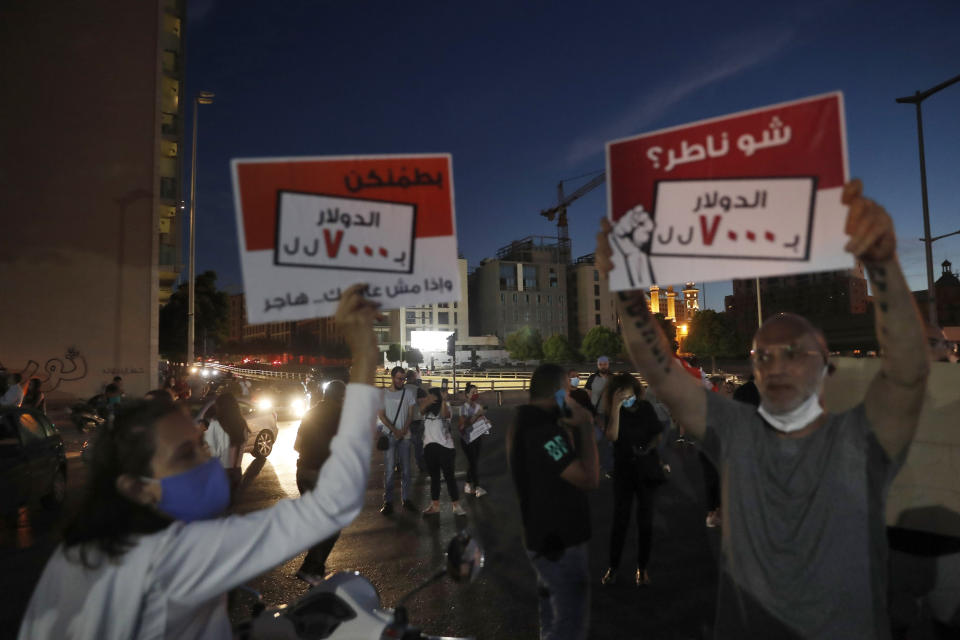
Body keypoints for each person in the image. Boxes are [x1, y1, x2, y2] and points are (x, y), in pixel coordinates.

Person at [596, 179, 929, 638]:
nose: (776, 365)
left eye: (794, 353)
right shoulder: (736, 432)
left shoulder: (860, 439)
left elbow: (909, 371)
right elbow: (662, 373)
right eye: (764, 356)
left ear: (824, 366)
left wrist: (883, 262)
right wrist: (625, 288)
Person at [17, 283, 381, 640]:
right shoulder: (177, 556)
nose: (206, 456)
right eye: (187, 453)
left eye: (200, 443)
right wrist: (365, 355)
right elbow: (334, 502)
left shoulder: (75, 556)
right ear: (137, 487)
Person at [508, 363, 599, 640]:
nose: (571, 397)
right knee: (567, 625)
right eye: (569, 391)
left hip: (543, 539)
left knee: (550, 621)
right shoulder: (542, 430)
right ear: (559, 393)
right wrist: (585, 425)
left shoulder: (526, 421)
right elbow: (588, 478)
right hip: (559, 542)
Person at [600, 374, 665, 587]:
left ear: (636, 392)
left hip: (646, 469)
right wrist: (617, 408)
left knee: (645, 521)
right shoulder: (613, 412)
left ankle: (642, 568)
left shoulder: (645, 408)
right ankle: (613, 567)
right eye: (622, 396)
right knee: (620, 520)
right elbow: (611, 436)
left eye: (630, 395)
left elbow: (657, 433)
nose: (628, 399)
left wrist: (648, 448)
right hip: (624, 470)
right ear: (614, 395)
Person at [292, 379, 347, 583]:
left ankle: (316, 570)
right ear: (342, 396)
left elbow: (296, 446)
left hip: (303, 472)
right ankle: (311, 568)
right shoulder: (341, 415)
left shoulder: (310, 412)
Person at [377, 366, 420, 514]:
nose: (402, 381)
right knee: (389, 470)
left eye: (404, 379)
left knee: (407, 470)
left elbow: (410, 415)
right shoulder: (383, 394)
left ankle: (406, 499)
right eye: (399, 378)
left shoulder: (408, 393)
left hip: (405, 436)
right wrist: (395, 431)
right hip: (390, 435)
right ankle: (388, 501)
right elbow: (381, 415)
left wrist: (403, 431)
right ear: (392, 378)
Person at [421, 387, 466, 516]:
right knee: (434, 478)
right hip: (429, 447)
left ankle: (456, 505)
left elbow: (446, 415)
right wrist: (428, 400)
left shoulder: (445, 407)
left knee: (449, 477)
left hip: (445, 448)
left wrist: (444, 400)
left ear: (437, 397)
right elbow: (421, 409)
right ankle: (435, 506)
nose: (428, 398)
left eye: (430, 396)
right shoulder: (426, 410)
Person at [203, 393, 249, 495]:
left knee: (219, 506)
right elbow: (244, 443)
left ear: (220, 407)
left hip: (221, 471)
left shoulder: (215, 424)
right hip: (237, 471)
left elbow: (210, 450)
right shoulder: (242, 423)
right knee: (233, 502)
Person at [458, 383, 489, 497]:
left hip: (477, 438)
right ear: (467, 395)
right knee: (473, 463)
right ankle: (477, 487)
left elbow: (481, 419)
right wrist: (477, 415)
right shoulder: (464, 408)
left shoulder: (477, 406)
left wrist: (486, 422)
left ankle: (467, 484)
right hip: (467, 439)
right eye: (473, 392)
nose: (476, 394)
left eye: (477, 392)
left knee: (473, 462)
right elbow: (463, 425)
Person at [405, 369, 429, 474]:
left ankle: (399, 465)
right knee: (418, 446)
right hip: (416, 420)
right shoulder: (418, 390)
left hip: (402, 422)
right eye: (415, 376)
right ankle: (421, 465)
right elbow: (424, 404)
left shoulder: (400, 388)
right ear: (413, 378)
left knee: (404, 445)